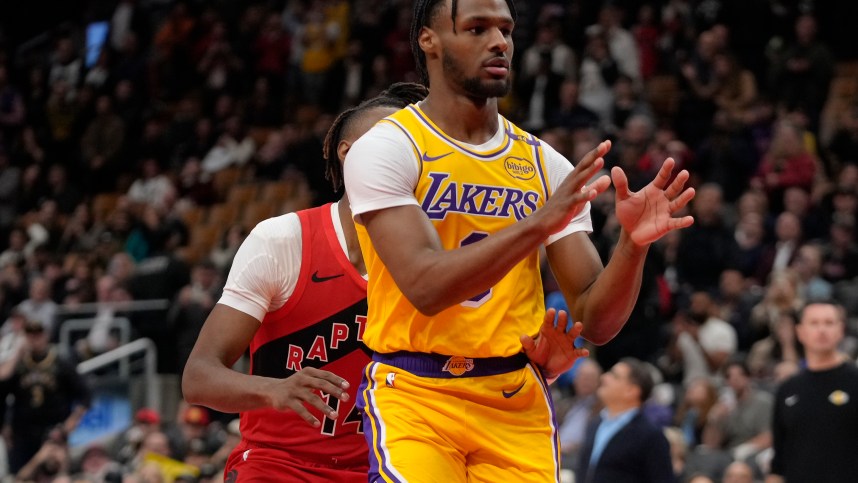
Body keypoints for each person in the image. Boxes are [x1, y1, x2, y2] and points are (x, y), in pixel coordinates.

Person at [342, 0, 696, 480]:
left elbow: (595, 320)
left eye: (506, 30)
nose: (499, 42)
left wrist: (633, 246)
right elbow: (425, 287)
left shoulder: (544, 163)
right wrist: (538, 221)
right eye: (477, 28)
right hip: (416, 392)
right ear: (429, 40)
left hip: (514, 396)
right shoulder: (387, 147)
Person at [181, 83, 429, 482]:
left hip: (382, 468)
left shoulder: (434, 257)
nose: (407, 156)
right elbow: (198, 377)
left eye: (416, 147)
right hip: (278, 464)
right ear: (349, 153)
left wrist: (545, 362)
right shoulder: (283, 240)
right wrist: (271, 390)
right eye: (393, 141)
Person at [767, 302, 858, 483]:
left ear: (841, 330)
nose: (822, 330)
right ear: (800, 332)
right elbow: (778, 462)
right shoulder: (787, 390)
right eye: (814, 323)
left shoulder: (855, 382)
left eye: (829, 323)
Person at [575, 358, 675, 483]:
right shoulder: (595, 424)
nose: (604, 377)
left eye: (614, 376)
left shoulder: (651, 436)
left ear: (631, 391)